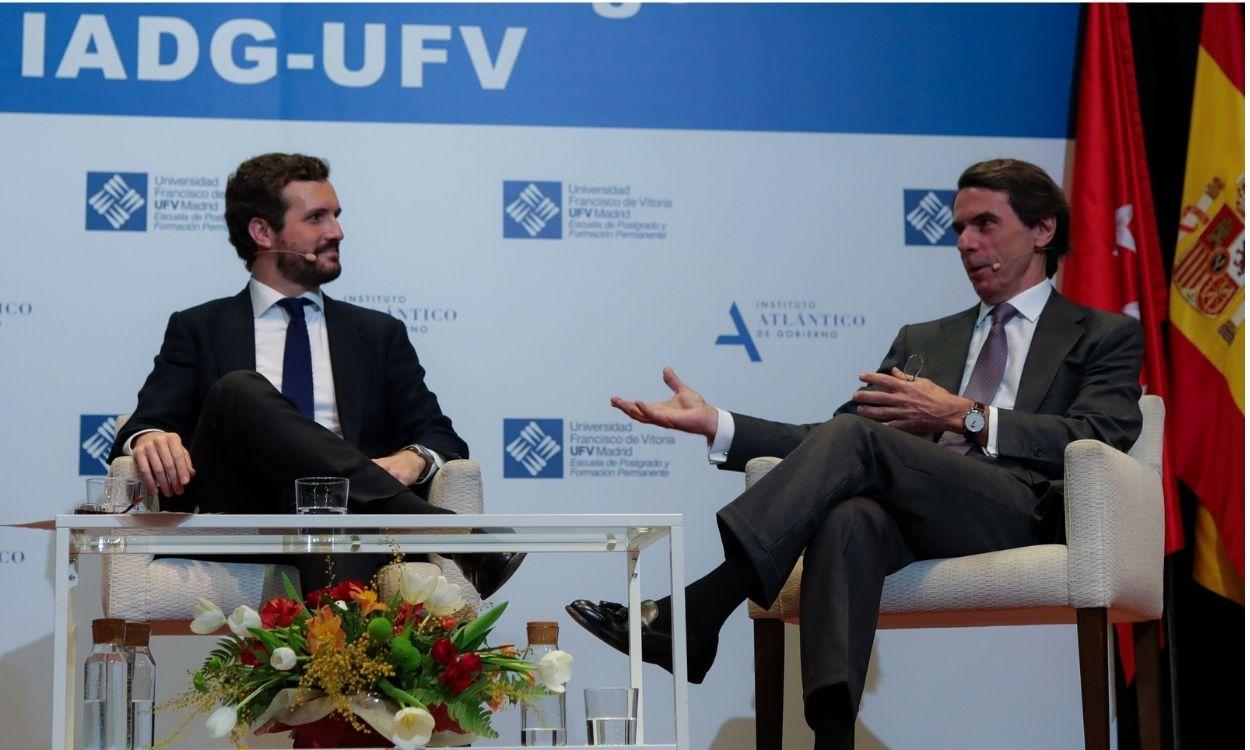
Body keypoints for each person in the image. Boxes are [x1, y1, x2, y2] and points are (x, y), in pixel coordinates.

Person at [566, 159, 1144, 749]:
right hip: (916, 511)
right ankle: (832, 739)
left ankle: (700, 608)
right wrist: (720, 424)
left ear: (1043, 230)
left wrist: (965, 416)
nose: (967, 244)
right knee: (848, 519)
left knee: (862, 445)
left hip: (1016, 508)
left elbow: (1099, 432)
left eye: (986, 225)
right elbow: (831, 439)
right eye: (959, 230)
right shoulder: (927, 339)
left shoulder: (1101, 335)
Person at [108, 152, 523, 598]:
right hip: (242, 514)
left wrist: (415, 458)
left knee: (329, 514)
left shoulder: (377, 334)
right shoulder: (200, 328)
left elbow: (441, 437)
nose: (337, 232)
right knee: (238, 389)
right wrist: (148, 437)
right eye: (317, 218)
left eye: (337, 216)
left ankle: (342, 664)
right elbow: (138, 426)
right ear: (263, 232)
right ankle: (447, 531)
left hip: (347, 519)